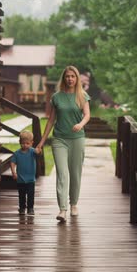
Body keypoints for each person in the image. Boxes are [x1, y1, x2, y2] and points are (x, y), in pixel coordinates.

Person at [36, 65, 90, 222]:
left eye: (73, 76)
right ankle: (62, 209)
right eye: (67, 76)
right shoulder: (56, 97)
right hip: (59, 139)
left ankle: (74, 204)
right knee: (62, 173)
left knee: (75, 173)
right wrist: (41, 142)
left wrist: (80, 124)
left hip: (77, 139)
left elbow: (87, 115)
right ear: (64, 78)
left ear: (77, 78)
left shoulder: (82, 95)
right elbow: (51, 120)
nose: (70, 79)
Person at [10, 130, 40, 216]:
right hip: (21, 179)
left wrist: (38, 151)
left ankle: (30, 208)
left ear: (31, 143)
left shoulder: (32, 152)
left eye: (27, 143)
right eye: (23, 143)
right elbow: (12, 162)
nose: (25, 145)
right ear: (19, 142)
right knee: (21, 195)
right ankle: (22, 208)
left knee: (31, 195)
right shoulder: (17, 154)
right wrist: (13, 172)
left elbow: (37, 153)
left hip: (30, 179)